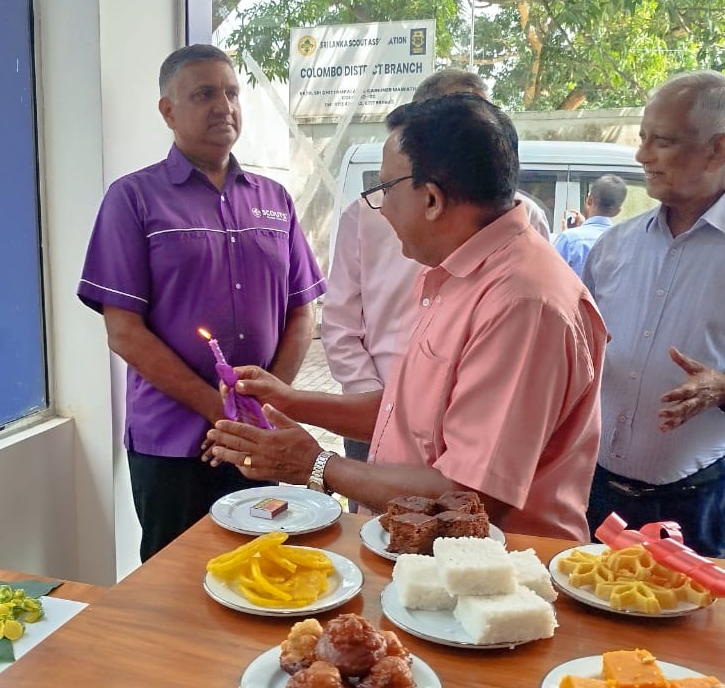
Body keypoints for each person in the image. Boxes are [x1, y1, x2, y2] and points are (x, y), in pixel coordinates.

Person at [206, 93, 607, 542]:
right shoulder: (453, 275)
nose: (381, 207)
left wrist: (316, 465)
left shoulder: (523, 304)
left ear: (432, 199)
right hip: (421, 552)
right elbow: (406, 415)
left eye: (386, 189)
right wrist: (287, 401)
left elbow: (471, 498)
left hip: (497, 570)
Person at [77, 44, 324, 561]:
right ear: (168, 110)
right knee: (175, 579)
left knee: (268, 565)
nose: (224, 106)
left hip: (258, 438)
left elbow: (302, 311)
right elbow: (124, 332)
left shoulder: (274, 198)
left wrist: (261, 408)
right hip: (173, 442)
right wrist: (221, 411)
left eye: (232, 93)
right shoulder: (134, 198)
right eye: (205, 94)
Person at [581, 70, 725, 557]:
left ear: (718, 149)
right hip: (592, 486)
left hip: (694, 501)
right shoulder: (613, 246)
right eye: (642, 138)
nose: (642, 155)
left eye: (662, 141)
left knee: (686, 609)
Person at [321, 68, 551, 464]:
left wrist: (315, 464)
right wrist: (376, 406)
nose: (384, 205)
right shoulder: (367, 215)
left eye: (480, 116)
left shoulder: (524, 271)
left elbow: (463, 487)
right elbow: (340, 324)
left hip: (466, 432)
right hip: (375, 410)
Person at [552, 174, 628, 277]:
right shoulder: (626, 243)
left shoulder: (569, 239)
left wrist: (568, 235)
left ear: (589, 200)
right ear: (617, 211)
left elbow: (550, 276)